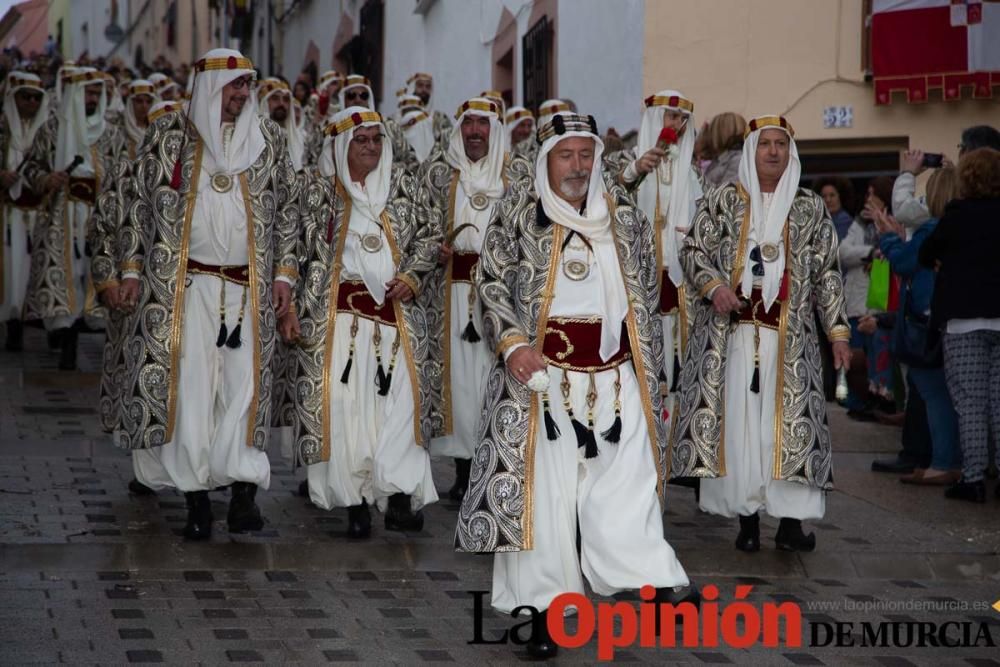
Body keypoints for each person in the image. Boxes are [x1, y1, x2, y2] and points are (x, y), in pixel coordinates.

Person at [456, 112, 694, 660]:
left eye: (586, 154)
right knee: (547, 503)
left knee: (629, 486)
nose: (579, 166)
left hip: (615, 381)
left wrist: (649, 375)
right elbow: (489, 283)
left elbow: (643, 304)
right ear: (545, 160)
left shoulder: (624, 218)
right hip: (543, 381)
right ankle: (542, 614)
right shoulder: (519, 215)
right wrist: (514, 345)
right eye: (567, 155)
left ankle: (652, 576)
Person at [115, 48, 301, 540]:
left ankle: (243, 494)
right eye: (233, 86)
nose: (241, 94)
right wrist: (131, 269)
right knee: (193, 390)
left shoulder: (270, 138)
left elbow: (288, 212)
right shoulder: (169, 135)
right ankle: (196, 499)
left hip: (249, 291)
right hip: (186, 290)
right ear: (208, 87)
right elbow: (137, 207)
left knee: (244, 392)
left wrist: (284, 276)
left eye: (246, 85)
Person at [675, 115, 851, 553]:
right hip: (732, 338)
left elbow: (828, 274)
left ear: (791, 153)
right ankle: (747, 520)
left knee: (788, 430)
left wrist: (838, 332)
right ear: (751, 151)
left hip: (790, 341)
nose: (773, 151)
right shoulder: (720, 201)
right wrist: (714, 287)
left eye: (781, 144)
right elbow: (693, 250)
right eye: (764, 144)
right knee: (739, 429)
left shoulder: (810, 207)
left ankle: (790, 523)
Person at [287, 106, 440, 537]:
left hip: (398, 323)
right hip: (340, 326)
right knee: (348, 411)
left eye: (377, 139)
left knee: (401, 410)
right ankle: (354, 502)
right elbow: (296, 250)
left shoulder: (404, 187)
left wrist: (413, 274)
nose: (371, 147)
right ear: (341, 146)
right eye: (361, 141)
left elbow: (431, 235)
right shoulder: (320, 194)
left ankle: (396, 497)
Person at [419, 97, 507, 503]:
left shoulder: (516, 172)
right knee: (459, 381)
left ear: (495, 128)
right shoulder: (438, 173)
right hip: (451, 293)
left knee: (492, 376)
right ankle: (463, 469)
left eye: (482, 124)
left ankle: (495, 465)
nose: (475, 132)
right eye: (468, 124)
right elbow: (419, 224)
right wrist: (431, 250)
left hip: (499, 294)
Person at [614, 90, 703, 457]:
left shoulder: (693, 171)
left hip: (680, 281)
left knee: (679, 365)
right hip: (637, 281)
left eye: (682, 119)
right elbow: (607, 198)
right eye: (669, 117)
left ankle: (672, 445)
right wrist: (636, 171)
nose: (675, 126)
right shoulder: (625, 161)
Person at [22, 67, 122, 370]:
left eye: (96, 93)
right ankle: (65, 337)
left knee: (91, 275)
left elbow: (123, 175)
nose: (92, 98)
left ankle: (82, 329)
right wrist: (46, 179)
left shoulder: (111, 134)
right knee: (65, 279)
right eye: (88, 93)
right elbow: (31, 167)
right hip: (61, 215)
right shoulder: (52, 130)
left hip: (97, 215)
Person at [919, 147, 1000, 503]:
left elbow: (925, 253)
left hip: (963, 322)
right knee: (998, 402)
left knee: (970, 403)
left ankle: (973, 479)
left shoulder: (957, 214)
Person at [874, 168, 961, 487]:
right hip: (947, 318)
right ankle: (960, 461)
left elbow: (905, 262)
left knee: (933, 394)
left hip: (926, 321)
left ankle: (942, 461)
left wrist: (888, 237)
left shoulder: (931, 229)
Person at [839, 176, 897, 419]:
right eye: (867, 193)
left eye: (874, 193)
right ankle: (857, 401)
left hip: (879, 300)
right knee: (856, 356)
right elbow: (843, 252)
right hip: (856, 299)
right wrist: (870, 253)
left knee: (877, 354)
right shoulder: (859, 223)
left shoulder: (894, 222)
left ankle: (880, 399)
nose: (869, 198)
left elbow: (894, 251)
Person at [0, 72, 49, 352]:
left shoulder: (48, 130)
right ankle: (12, 325)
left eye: (36, 97)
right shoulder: (2, 129)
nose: (31, 102)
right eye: (25, 96)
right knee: (12, 272)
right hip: (9, 215)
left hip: (40, 212)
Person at [894, 126, 1000, 230]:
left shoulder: (955, 194)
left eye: (962, 147)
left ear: (966, 153)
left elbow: (903, 212)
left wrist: (908, 173)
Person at [701, 111, 745, 188]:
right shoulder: (720, 158)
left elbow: (727, 193)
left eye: (711, 131)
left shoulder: (738, 161)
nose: (709, 136)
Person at [406, 72, 452, 142]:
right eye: (420, 85)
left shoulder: (441, 119)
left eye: (428, 86)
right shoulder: (400, 118)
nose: (424, 89)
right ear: (412, 88)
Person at [813, 176, 854, 240]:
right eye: (824, 196)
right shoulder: (816, 220)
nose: (828, 200)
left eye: (832, 195)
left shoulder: (846, 221)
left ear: (841, 197)